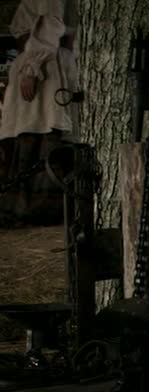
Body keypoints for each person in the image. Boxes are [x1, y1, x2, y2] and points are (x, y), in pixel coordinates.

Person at [0, 0, 79, 225]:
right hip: (39, 63)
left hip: (45, 68)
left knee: (43, 130)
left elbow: (51, 22)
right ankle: (26, 207)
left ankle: (39, 209)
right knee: (30, 131)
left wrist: (32, 69)